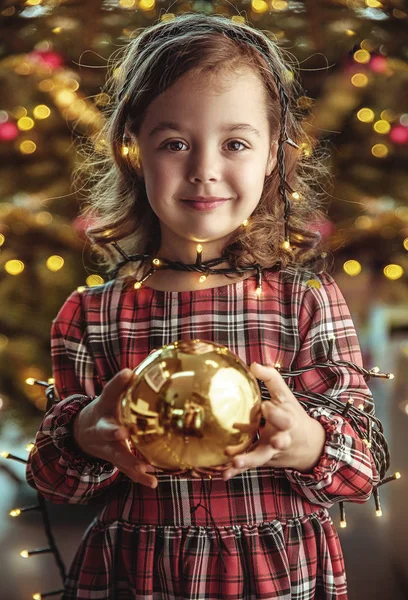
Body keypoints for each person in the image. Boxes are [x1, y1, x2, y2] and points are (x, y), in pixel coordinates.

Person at [26, 12, 387, 600]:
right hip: (139, 574)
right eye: (174, 143)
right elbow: (55, 483)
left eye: (235, 143)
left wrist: (307, 441)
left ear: (273, 154)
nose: (204, 170)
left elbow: (362, 467)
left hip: (279, 573)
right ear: (135, 150)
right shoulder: (91, 314)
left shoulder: (307, 300)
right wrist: (84, 436)